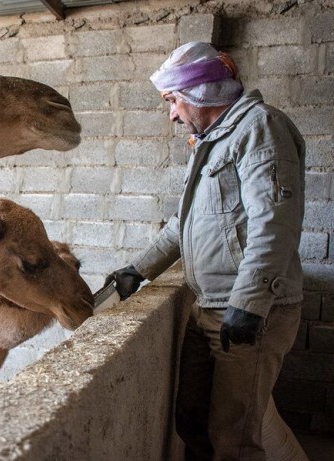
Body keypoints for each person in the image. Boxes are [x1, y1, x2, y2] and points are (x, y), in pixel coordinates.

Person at [104, 42, 308, 461]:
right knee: (192, 419)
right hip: (209, 307)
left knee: (234, 437)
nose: (173, 114)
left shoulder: (259, 128)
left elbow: (275, 222)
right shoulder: (212, 141)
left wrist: (250, 304)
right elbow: (185, 225)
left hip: (250, 310)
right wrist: (138, 270)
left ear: (200, 94)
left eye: (173, 101)